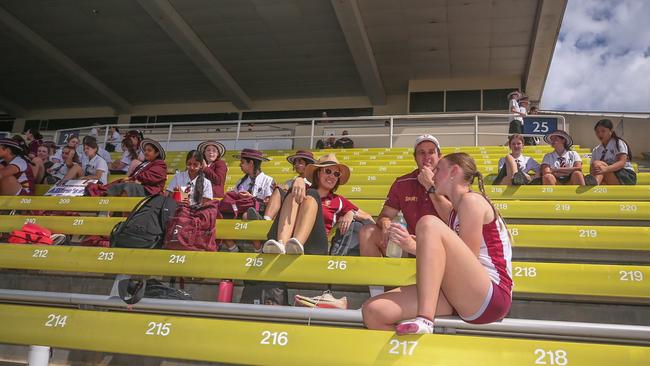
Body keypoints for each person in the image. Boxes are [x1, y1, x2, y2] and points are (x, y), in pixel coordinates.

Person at [362, 152, 513, 334]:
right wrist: (416, 244)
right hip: (459, 294)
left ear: (453, 171)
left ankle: (425, 319)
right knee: (373, 311)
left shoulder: (471, 201)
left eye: (438, 169)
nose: (433, 175)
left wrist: (416, 245)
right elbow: (453, 260)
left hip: (490, 296)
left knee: (428, 222)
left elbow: (468, 260)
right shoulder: (455, 213)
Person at [262, 153, 373, 255]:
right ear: (318, 173)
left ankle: (296, 245)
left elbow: (368, 218)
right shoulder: (302, 189)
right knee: (294, 193)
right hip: (285, 240)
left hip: (314, 245)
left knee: (311, 194)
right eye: (328, 171)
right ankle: (282, 244)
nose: (332, 176)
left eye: (336, 174)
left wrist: (351, 213)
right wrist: (299, 180)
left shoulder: (338, 200)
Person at [222, 148, 274, 252]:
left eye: (242, 162)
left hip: (260, 212)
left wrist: (252, 198)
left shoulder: (268, 180)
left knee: (248, 214)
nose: (240, 165)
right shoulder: (241, 182)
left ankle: (258, 248)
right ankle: (233, 248)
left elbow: (270, 202)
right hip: (239, 210)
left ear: (251, 163)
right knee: (220, 216)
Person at [98, 138, 167, 197]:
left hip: (150, 190)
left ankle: (121, 211)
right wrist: (131, 179)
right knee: (116, 185)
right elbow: (135, 176)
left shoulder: (160, 163)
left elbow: (151, 177)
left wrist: (133, 179)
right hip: (139, 186)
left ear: (157, 153)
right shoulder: (145, 163)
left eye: (149, 150)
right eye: (145, 150)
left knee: (129, 187)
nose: (146, 152)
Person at [263, 150, 315, 221]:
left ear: (308, 165)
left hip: (304, 210)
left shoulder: (314, 182)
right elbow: (285, 190)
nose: (296, 164)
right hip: (288, 210)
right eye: (295, 162)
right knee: (278, 190)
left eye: (300, 162)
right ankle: (266, 219)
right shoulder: (290, 181)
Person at [587, 119, 636, 185]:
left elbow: (622, 163)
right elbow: (592, 169)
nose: (600, 134)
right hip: (608, 175)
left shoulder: (618, 143)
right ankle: (595, 183)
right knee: (597, 166)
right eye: (597, 132)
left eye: (603, 131)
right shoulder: (596, 150)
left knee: (597, 164)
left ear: (611, 131)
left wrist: (605, 169)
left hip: (625, 175)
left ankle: (594, 185)